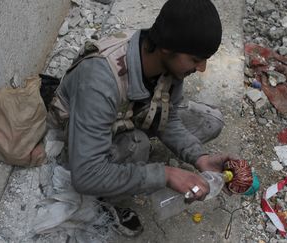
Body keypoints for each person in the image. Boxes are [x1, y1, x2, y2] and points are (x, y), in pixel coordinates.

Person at [47, 0, 235, 237]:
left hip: (125, 115)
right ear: (167, 48)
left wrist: (200, 158)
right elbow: (85, 175)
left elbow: (169, 118)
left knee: (211, 121)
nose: (202, 68)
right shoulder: (100, 79)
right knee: (138, 145)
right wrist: (165, 174)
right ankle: (104, 199)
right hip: (81, 138)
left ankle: (131, 163)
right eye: (196, 60)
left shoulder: (167, 59)